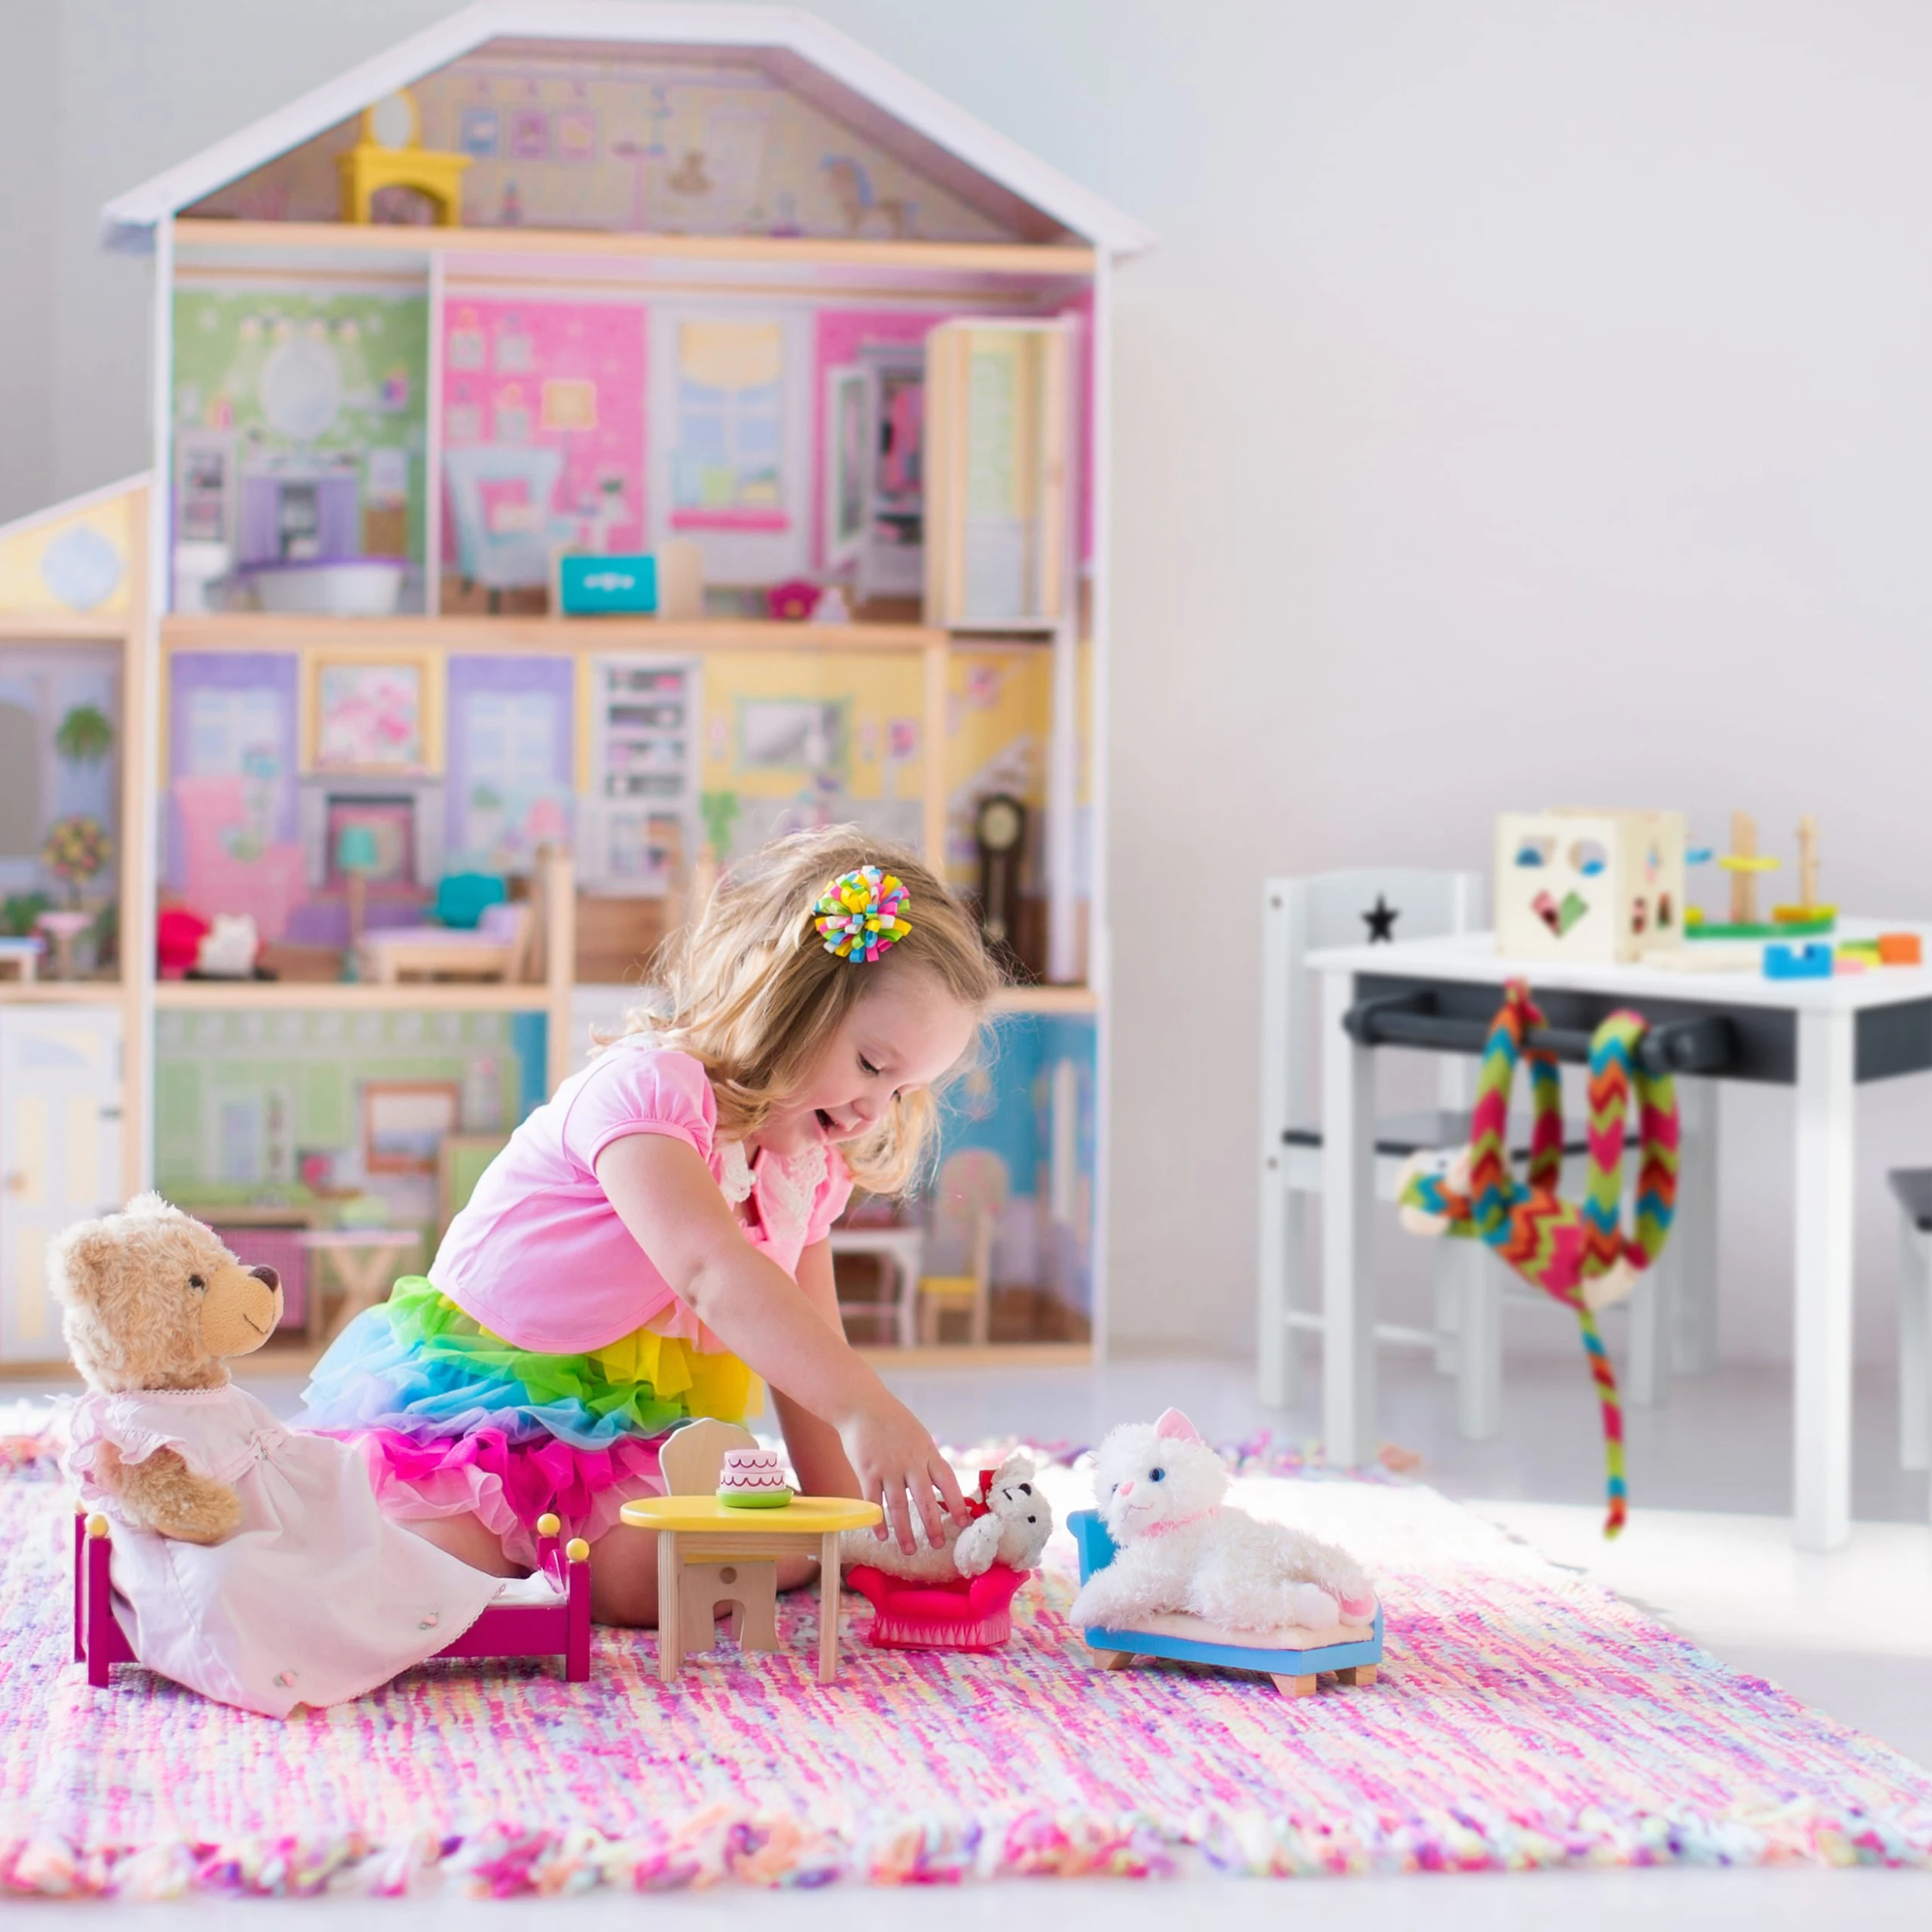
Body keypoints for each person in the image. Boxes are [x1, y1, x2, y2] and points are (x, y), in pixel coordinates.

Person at [301, 828, 1002, 1624]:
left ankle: (558, 1559)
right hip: (480, 1405)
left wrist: (857, 1532)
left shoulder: (807, 1170)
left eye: (903, 1091)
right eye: (872, 1066)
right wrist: (867, 1407)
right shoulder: (647, 1093)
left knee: (704, 1570)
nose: (875, 1110)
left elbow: (809, 1352)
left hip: (632, 1436)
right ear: (786, 996)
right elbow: (710, 1273)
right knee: (422, 1567)